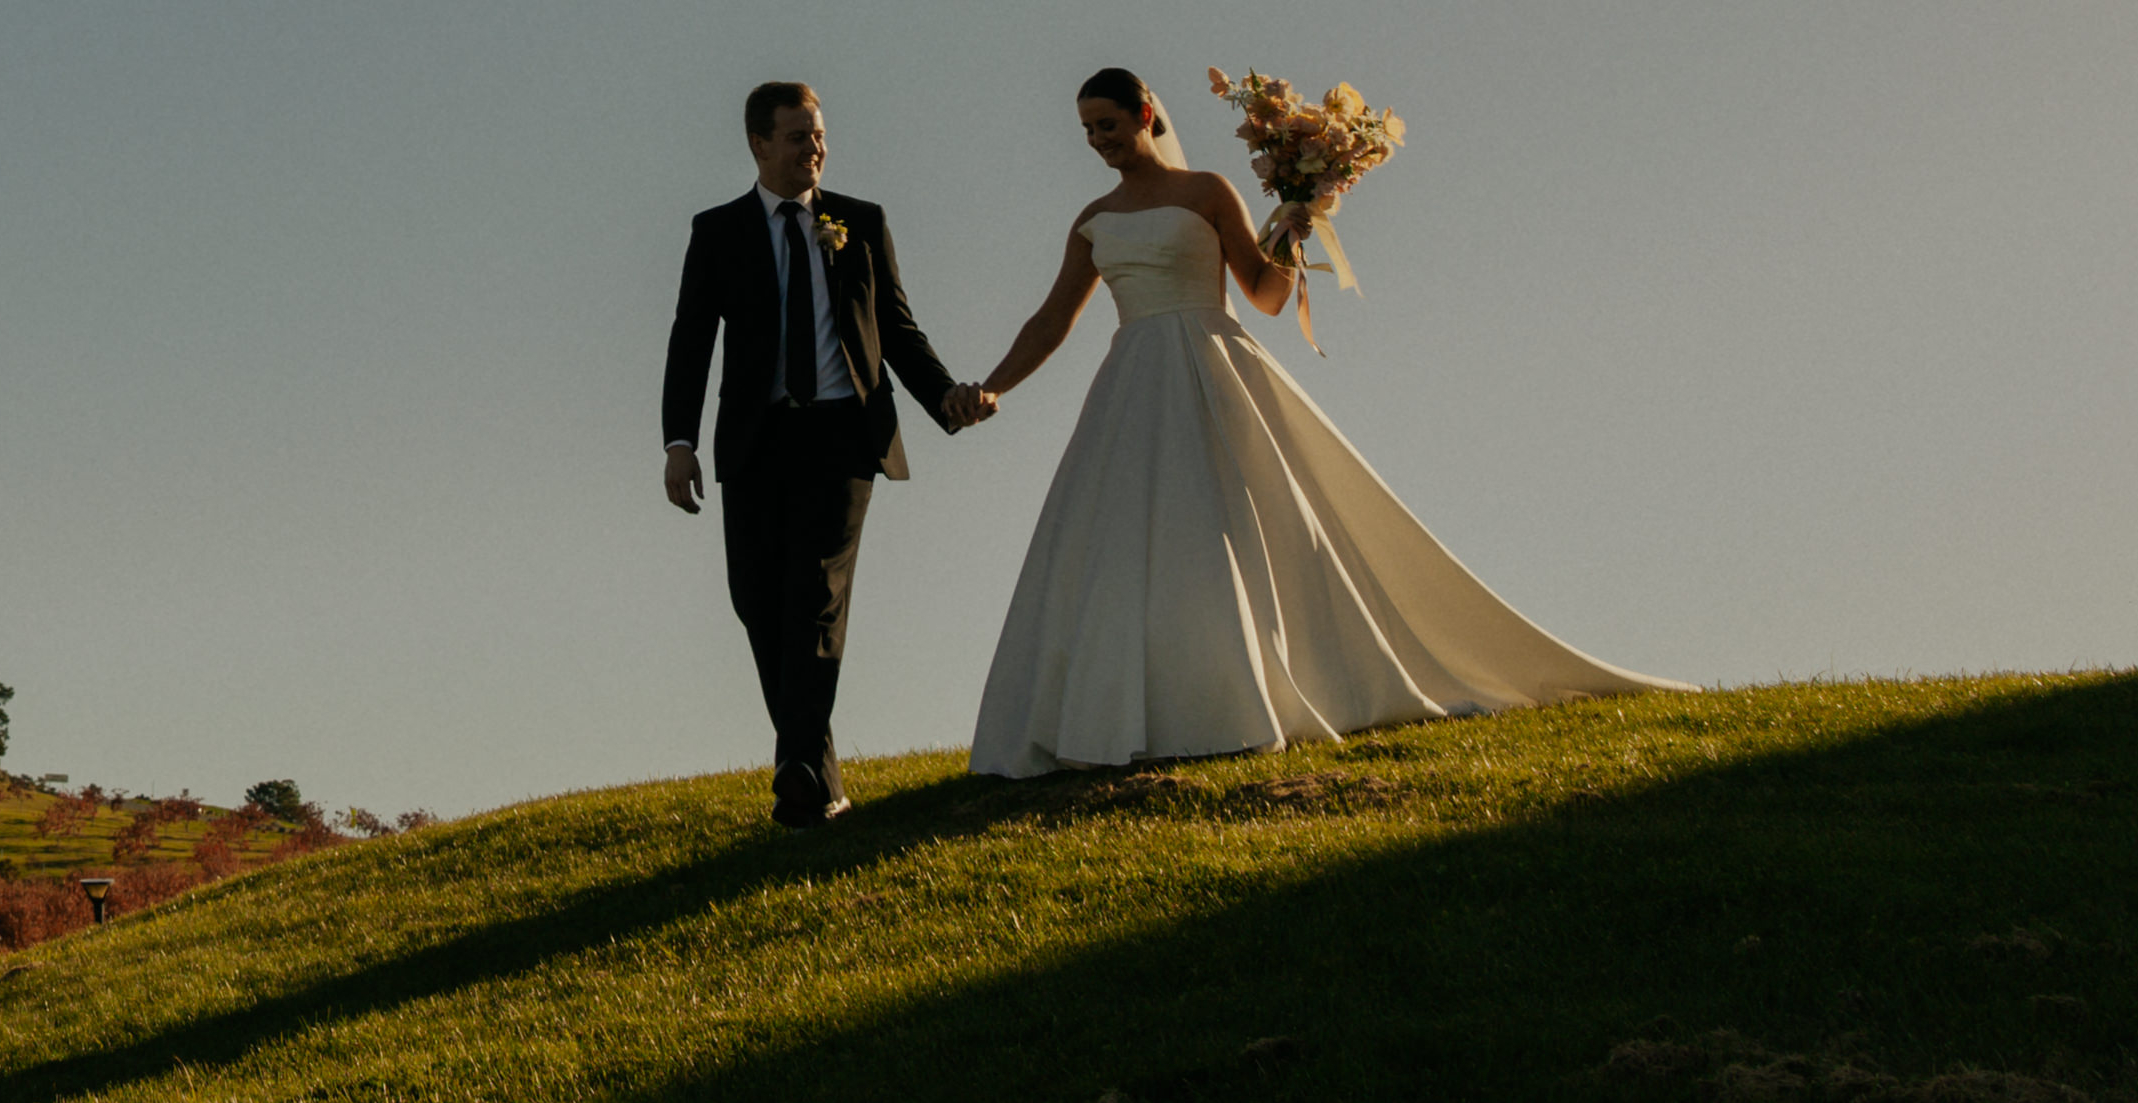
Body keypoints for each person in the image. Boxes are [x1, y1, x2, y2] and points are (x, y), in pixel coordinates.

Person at [947, 67, 1679, 777]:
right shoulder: (1094, 220)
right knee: (1125, 542)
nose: (1096, 140)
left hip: (1211, 364)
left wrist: (1297, 221)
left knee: (1230, 525)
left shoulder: (1207, 192)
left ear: (1145, 116)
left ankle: (1246, 700)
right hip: (1131, 382)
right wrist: (995, 386)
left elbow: (1263, 295)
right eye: (1085, 130)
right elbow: (1050, 320)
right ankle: (1138, 716)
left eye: (1106, 124)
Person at [657, 81, 979, 828]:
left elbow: (897, 330)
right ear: (759, 145)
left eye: (820, 134)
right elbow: (691, 341)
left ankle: (796, 770)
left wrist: (946, 402)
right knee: (757, 603)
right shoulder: (719, 230)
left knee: (814, 594)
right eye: (799, 137)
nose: (816, 149)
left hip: (842, 434)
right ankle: (815, 772)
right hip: (755, 441)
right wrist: (679, 443)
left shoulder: (859, 222)